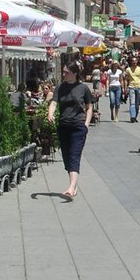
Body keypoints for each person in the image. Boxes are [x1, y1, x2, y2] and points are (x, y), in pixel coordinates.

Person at [48, 62, 93, 201]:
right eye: (63, 72)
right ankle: (73, 185)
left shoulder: (83, 88)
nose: (63, 74)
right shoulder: (60, 87)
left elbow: (89, 107)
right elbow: (54, 102)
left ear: (74, 73)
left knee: (74, 155)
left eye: (66, 72)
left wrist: (86, 124)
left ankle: (71, 187)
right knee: (67, 157)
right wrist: (50, 113)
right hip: (63, 126)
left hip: (78, 127)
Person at [123, 56, 140, 123]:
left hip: (138, 87)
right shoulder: (128, 69)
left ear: (137, 62)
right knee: (132, 103)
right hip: (131, 87)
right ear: (131, 62)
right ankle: (132, 117)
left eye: (135, 61)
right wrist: (125, 88)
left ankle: (135, 117)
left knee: (137, 104)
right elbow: (126, 79)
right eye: (133, 61)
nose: (134, 62)